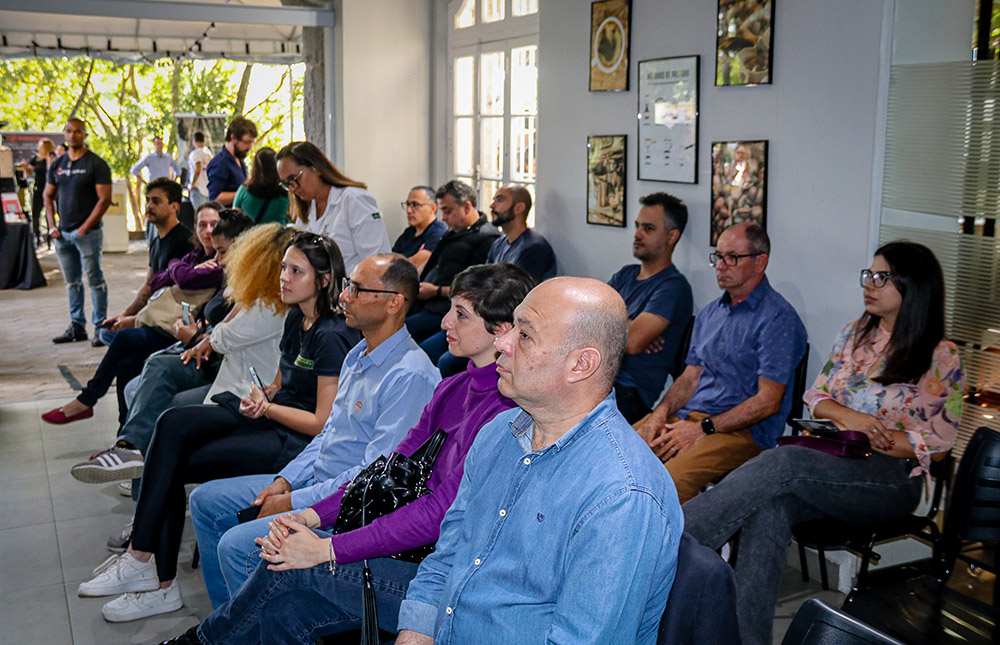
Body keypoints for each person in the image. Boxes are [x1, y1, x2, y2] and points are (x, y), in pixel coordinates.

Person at [158, 263, 535, 644]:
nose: (443, 324)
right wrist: (308, 515)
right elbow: (381, 472)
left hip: (442, 575)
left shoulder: (507, 413)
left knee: (287, 566)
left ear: (502, 331)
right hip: (411, 551)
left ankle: (199, 642)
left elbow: (439, 513)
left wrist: (327, 548)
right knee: (283, 612)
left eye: (461, 314)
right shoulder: (452, 388)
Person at [683, 241, 965, 645]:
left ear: (912, 286)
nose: (869, 284)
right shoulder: (854, 335)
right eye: (868, 275)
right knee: (771, 507)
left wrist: (875, 436)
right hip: (835, 459)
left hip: (891, 480)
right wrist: (853, 420)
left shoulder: (942, 356)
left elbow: (937, 445)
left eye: (881, 277)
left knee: (785, 461)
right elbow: (815, 396)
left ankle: (671, 544)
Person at [76, 231, 359, 623]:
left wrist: (269, 408)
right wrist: (264, 394)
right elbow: (280, 383)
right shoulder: (297, 318)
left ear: (324, 280)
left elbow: (320, 423)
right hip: (271, 418)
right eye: (283, 268)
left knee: (173, 448)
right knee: (171, 428)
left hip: (292, 440)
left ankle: (148, 567)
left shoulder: (331, 335)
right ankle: (151, 570)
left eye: (296, 271)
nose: (284, 278)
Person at [189, 253, 441, 607]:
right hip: (314, 482)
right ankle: (230, 622)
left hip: (347, 507)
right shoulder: (358, 354)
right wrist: (286, 481)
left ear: (393, 303)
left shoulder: (409, 375)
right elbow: (327, 435)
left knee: (237, 546)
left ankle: (246, 627)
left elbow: (373, 477)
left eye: (356, 289)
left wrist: (292, 503)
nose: (343, 296)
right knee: (205, 501)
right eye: (346, 286)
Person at [68, 208, 256, 486]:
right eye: (202, 225)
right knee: (136, 365)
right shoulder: (220, 271)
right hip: (201, 352)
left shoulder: (250, 287)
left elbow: (185, 282)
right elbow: (161, 279)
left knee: (142, 368)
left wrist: (195, 336)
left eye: (222, 250)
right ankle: (127, 450)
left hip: (218, 368)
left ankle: (125, 445)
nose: (216, 257)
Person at [636, 222, 807, 504]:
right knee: (616, 455)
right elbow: (689, 378)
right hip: (689, 418)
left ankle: (679, 545)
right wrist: (660, 412)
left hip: (740, 433)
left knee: (667, 484)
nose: (721, 265)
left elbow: (768, 402)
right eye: (719, 256)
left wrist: (704, 428)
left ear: (760, 262)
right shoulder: (710, 314)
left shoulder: (778, 319)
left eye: (733, 257)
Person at [42, 198, 222, 428]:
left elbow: (180, 275)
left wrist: (179, 269)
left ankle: (87, 400)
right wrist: (180, 268)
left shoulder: (217, 261)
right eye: (202, 225)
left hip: (179, 332)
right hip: (161, 324)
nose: (208, 231)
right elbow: (158, 279)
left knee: (124, 338)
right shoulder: (195, 254)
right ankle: (124, 433)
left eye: (214, 224)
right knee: (126, 361)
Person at [609, 192, 693, 424]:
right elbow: (585, 318)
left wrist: (617, 325)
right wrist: (630, 324)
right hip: (597, 378)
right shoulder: (625, 274)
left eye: (648, 228)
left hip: (630, 392)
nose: (637, 234)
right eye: (637, 226)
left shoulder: (673, 287)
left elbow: (634, 342)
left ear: (672, 236)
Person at [405, 180, 498, 351]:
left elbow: (476, 289)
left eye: (447, 211)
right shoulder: (452, 233)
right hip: (427, 302)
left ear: (467, 207)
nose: (444, 218)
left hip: (448, 309)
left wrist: (436, 290)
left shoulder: (486, 239)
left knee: (406, 335)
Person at [44, 118, 113, 345]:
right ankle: (77, 326)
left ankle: (100, 327)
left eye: (78, 132)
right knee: (72, 282)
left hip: (88, 234)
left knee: (95, 279)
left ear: (84, 134)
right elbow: (48, 195)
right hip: (62, 235)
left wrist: (85, 227)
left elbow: (104, 200)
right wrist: (52, 225)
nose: (73, 135)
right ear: (64, 134)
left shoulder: (96, 164)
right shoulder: (58, 164)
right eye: (69, 131)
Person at [277, 140, 390, 274]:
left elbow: (378, 261)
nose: (292, 189)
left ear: (316, 167)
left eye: (294, 179)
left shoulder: (354, 200)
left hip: (352, 290)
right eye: (287, 184)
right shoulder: (306, 211)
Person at [486, 183, 556, 282]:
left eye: (500, 200)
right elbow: (486, 280)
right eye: (494, 200)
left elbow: (520, 292)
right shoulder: (498, 244)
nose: (492, 206)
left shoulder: (534, 247)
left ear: (518, 208)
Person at [392, 185, 446, 270]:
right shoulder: (409, 232)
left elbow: (409, 267)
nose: (408, 210)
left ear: (433, 208)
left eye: (415, 205)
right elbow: (391, 259)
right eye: (408, 204)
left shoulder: (438, 233)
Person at [207, 116, 257, 206]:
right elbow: (215, 198)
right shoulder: (220, 163)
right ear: (233, 138)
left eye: (251, 143)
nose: (249, 147)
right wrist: (245, 192)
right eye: (246, 142)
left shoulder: (239, 160)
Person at [233, 147, 288, 224]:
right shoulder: (285, 191)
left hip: (251, 235)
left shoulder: (244, 190)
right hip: (279, 234)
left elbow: (234, 219)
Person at [23, 137, 56, 246]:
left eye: (41, 147)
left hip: (49, 189)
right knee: (35, 214)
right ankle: (37, 237)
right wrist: (25, 167)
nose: (39, 149)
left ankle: (50, 238)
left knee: (49, 214)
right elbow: (30, 171)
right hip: (38, 189)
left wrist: (48, 161)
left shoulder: (52, 158)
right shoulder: (36, 159)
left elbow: (51, 171)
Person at [187, 131, 212, 209]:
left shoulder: (195, 154)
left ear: (194, 141)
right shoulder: (209, 154)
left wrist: (192, 184)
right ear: (204, 140)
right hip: (208, 188)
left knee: (199, 214)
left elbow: (198, 168)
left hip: (198, 188)